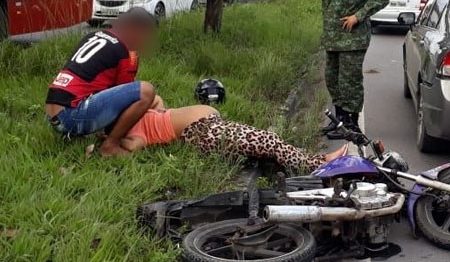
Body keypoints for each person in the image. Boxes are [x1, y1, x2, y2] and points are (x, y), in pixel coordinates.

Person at [305, 0, 389, 138]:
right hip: (332, 40)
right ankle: (339, 121)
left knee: (349, 83)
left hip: (353, 41)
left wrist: (357, 16)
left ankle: (351, 125)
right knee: (332, 80)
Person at [98, 105, 348, 173]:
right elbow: (132, 148)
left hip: (209, 125)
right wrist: (109, 143)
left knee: (268, 143)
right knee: (268, 142)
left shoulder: (142, 113)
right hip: (200, 133)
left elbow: (155, 99)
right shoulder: (134, 133)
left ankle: (312, 161)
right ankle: (320, 163)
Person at [45, 8, 159, 156]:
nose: (146, 42)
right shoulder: (126, 53)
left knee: (148, 97)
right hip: (71, 116)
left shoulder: (94, 36)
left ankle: (85, 134)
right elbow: (126, 101)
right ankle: (110, 145)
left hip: (53, 114)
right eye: (146, 36)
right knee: (146, 91)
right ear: (135, 30)